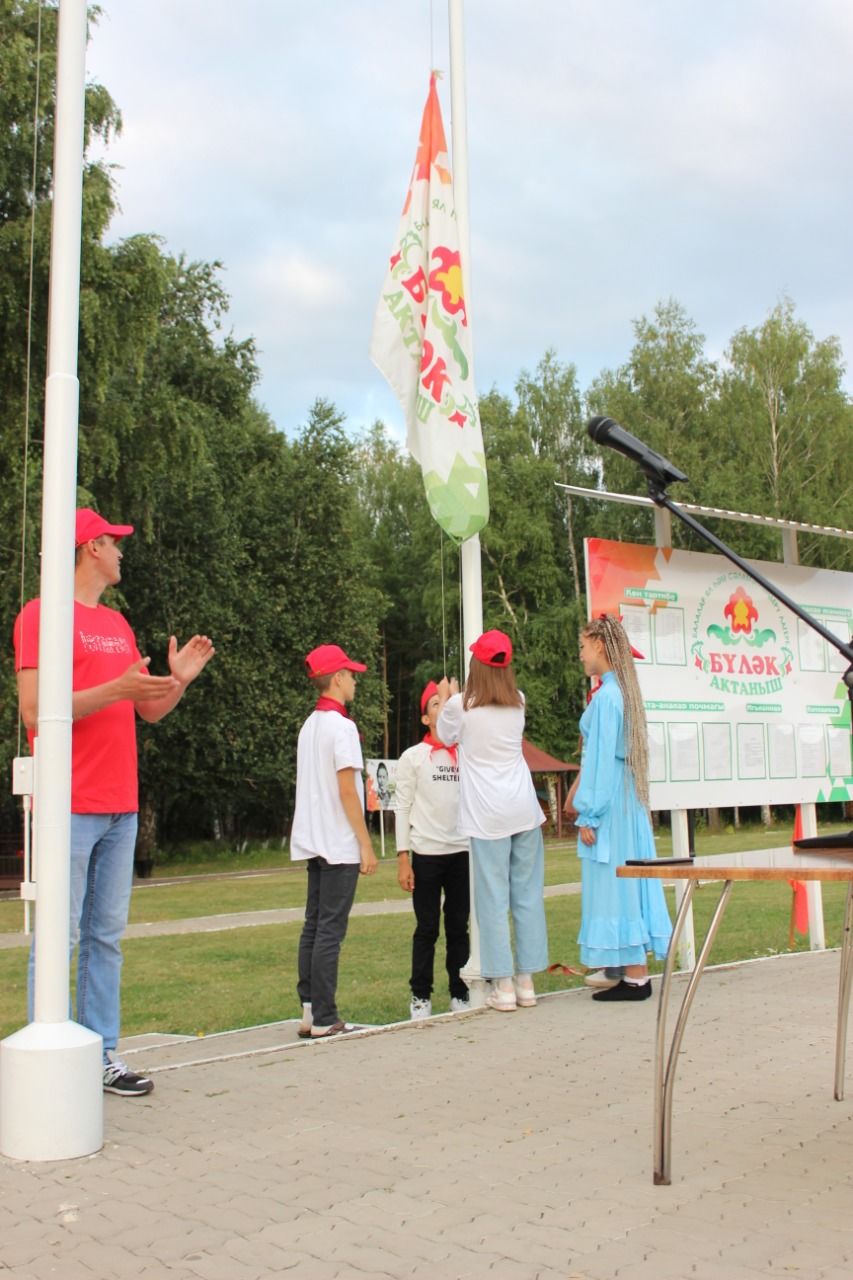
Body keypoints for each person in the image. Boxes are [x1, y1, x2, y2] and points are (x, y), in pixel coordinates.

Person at [13, 508, 215, 1095]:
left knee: (104, 936)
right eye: (114, 544)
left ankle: (101, 1054)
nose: (122, 553)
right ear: (89, 549)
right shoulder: (40, 616)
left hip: (119, 804)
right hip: (67, 803)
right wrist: (118, 688)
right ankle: (48, 1057)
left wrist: (176, 681)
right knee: (61, 934)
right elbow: (35, 712)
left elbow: (145, 710)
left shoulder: (119, 625)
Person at [436, 630, 547, 1012]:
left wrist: (447, 693)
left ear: (475, 666)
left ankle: (502, 985)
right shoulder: (518, 701)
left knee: (493, 898)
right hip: (524, 808)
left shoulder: (459, 706)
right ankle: (527, 982)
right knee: (527, 896)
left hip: (487, 814)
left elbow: (444, 734)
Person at [575, 613, 672, 1002]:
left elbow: (598, 760)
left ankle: (635, 976)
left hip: (612, 803)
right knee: (629, 880)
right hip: (626, 799)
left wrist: (589, 811)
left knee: (616, 882)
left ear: (599, 644)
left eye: (583, 647)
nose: (581, 656)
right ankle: (632, 971)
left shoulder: (608, 699)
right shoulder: (622, 694)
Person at [291, 643, 378, 1038]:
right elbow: (348, 790)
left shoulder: (310, 725)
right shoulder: (342, 728)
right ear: (338, 678)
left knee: (314, 925)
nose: (355, 680)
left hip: (313, 836)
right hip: (338, 839)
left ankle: (310, 1009)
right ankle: (326, 1017)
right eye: (351, 674)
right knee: (330, 930)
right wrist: (365, 842)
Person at [395, 680, 470, 1020]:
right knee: (427, 928)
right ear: (425, 718)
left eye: (446, 702)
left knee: (458, 927)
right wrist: (403, 858)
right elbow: (403, 807)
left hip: (461, 852)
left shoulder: (466, 752)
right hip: (426, 854)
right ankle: (420, 996)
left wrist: (457, 699)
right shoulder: (414, 757)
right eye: (435, 704)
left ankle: (460, 990)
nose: (443, 708)